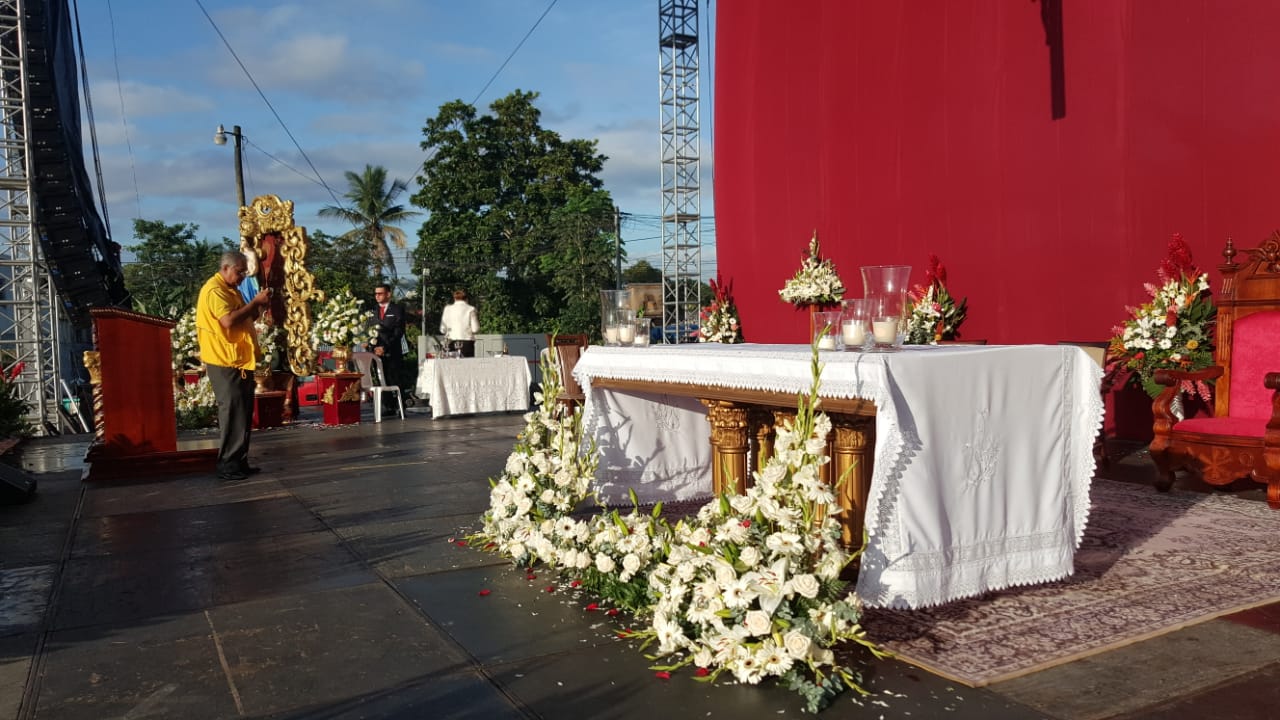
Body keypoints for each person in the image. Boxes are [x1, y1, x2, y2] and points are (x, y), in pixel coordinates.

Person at [196, 251, 271, 481]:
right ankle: (228, 464)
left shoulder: (231, 290)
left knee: (243, 413)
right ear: (226, 268)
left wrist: (259, 306)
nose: (242, 277)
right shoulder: (215, 290)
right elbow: (227, 320)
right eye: (239, 272)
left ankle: (239, 461)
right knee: (232, 412)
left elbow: (245, 318)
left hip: (239, 360)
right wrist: (255, 302)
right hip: (224, 361)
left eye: (244, 273)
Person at [369, 283, 406, 410]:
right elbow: (368, 330)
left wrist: (385, 347)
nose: (377, 296)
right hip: (376, 351)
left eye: (380, 293)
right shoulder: (372, 311)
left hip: (392, 351)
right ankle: (388, 407)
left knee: (395, 378)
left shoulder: (397, 309)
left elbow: (398, 331)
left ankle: (400, 407)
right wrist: (372, 346)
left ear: (388, 294)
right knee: (381, 379)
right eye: (375, 294)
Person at [440, 288, 479, 358]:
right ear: (466, 299)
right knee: (468, 367)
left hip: (451, 342)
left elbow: (442, 329)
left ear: (454, 299)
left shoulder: (447, 309)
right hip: (467, 342)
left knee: (451, 366)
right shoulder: (471, 309)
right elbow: (475, 329)